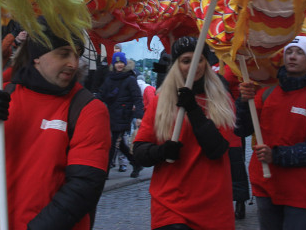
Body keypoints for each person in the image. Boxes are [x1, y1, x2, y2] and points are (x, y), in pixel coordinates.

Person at [0, 16, 111, 230]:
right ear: (37, 56)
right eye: (63, 53)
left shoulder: (88, 109)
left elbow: (85, 186)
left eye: (77, 55)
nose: (73, 64)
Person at [133, 36, 236, 230]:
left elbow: (217, 149)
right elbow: (139, 151)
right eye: (186, 61)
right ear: (176, 65)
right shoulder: (159, 101)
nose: (193, 66)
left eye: (199, 60)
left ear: (206, 63)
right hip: (170, 206)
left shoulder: (222, 100)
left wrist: (193, 109)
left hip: (212, 208)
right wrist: (162, 152)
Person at [236, 35, 306, 230]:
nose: (293, 56)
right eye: (289, 51)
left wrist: (276, 155)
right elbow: (241, 128)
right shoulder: (266, 94)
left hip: (299, 190)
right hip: (266, 183)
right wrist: (243, 103)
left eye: (299, 53)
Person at [98, 52, 144, 177]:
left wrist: (139, 116)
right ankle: (135, 163)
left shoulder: (130, 79)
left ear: (124, 63)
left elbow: (137, 98)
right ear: (113, 64)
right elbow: (102, 94)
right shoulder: (110, 78)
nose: (119, 65)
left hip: (124, 114)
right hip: (112, 113)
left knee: (113, 141)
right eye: (117, 62)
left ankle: (105, 171)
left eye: (121, 62)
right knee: (120, 143)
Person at [222, 64, 250, 220]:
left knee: (236, 165)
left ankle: (240, 201)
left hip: (232, 120)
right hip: (213, 119)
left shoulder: (233, 64)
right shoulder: (204, 61)